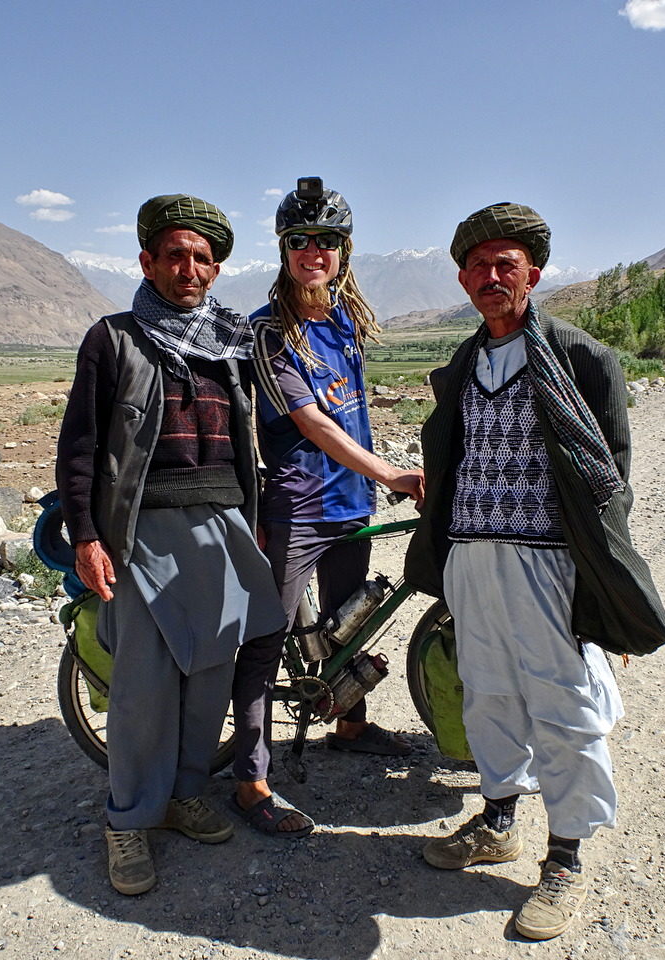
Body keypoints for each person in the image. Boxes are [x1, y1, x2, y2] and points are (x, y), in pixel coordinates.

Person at [404, 203, 665, 940]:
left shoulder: (584, 360)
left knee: (565, 709)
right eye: (479, 267)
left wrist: (603, 589)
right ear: (462, 278)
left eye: (507, 265)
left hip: (551, 565)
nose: (492, 278)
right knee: (488, 697)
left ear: (534, 274)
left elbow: (610, 485)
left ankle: (566, 860)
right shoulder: (461, 364)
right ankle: (497, 821)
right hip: (471, 558)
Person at [55, 194, 285, 895]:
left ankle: (186, 794)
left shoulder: (229, 343)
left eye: (203, 258)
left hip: (223, 527)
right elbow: (82, 448)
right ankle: (128, 819)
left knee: (210, 675)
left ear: (216, 271)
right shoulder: (113, 338)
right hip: (143, 533)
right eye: (176, 255)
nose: (189, 268)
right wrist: (88, 536)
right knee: (143, 689)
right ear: (148, 261)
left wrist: (257, 517)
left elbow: (247, 445)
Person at [230, 178, 425, 837]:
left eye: (328, 241)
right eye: (301, 241)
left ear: (344, 251)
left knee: (352, 625)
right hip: (297, 509)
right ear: (284, 250)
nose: (314, 251)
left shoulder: (345, 319)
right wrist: (393, 472)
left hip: (350, 502)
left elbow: (356, 412)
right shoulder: (269, 332)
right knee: (265, 641)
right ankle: (251, 780)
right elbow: (315, 425)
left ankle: (350, 725)